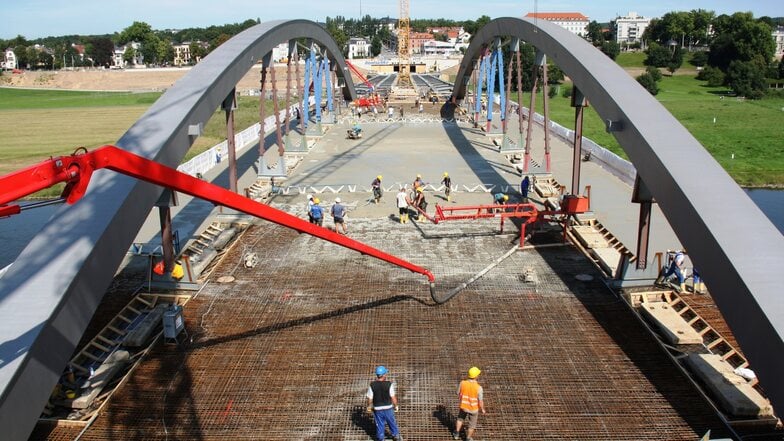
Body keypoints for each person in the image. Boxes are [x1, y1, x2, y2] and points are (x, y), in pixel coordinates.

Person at [366, 366, 402, 441]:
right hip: (388, 408)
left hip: (377, 409)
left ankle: (381, 438)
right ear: (384, 375)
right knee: (392, 422)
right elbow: (393, 397)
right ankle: (396, 435)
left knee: (379, 424)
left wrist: (369, 406)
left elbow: (370, 398)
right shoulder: (389, 384)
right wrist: (396, 406)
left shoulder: (372, 385)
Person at [453, 367, 486, 441]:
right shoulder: (479, 388)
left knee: (460, 419)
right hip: (473, 409)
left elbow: (457, 393)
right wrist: (483, 409)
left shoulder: (462, 383)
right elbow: (480, 401)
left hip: (464, 406)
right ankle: (468, 438)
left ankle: (456, 434)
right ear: (476, 376)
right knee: (472, 425)